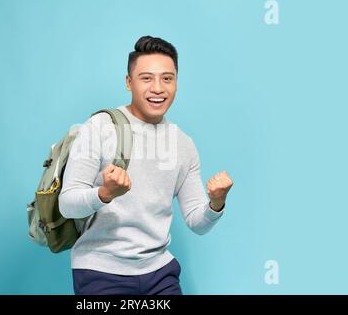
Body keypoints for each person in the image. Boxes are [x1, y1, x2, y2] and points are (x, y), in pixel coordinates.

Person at [58, 35, 233, 295]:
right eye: (146, 78)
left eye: (167, 78)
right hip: (100, 271)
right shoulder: (99, 128)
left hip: (160, 273)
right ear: (129, 82)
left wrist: (216, 203)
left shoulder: (183, 144)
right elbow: (67, 203)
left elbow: (197, 222)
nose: (158, 88)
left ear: (176, 83)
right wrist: (104, 194)